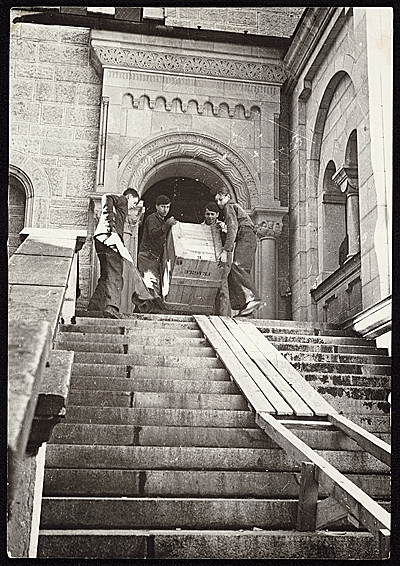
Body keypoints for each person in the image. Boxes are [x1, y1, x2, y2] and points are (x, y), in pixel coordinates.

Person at [88, 188, 141, 319]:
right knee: (116, 274)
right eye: (134, 203)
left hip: (100, 239)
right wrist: (110, 225)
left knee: (105, 275)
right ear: (129, 197)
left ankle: (94, 305)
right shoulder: (123, 200)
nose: (133, 206)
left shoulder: (120, 205)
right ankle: (112, 307)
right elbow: (107, 196)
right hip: (111, 239)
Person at [213, 187, 261, 317]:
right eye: (217, 200)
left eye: (220, 199)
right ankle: (244, 307)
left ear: (228, 197)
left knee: (237, 267)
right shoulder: (233, 208)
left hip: (246, 236)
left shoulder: (229, 206)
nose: (219, 203)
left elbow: (233, 228)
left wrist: (225, 250)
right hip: (247, 236)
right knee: (234, 273)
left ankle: (252, 298)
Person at [138, 194, 177, 307]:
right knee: (151, 283)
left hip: (154, 256)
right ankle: (154, 308)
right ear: (156, 206)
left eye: (167, 207)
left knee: (151, 284)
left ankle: (146, 308)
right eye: (162, 207)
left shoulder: (161, 220)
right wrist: (167, 225)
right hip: (147, 255)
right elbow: (154, 234)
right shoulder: (152, 218)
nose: (165, 210)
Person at [201, 202, 230, 316]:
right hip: (206, 260)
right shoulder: (201, 227)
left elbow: (230, 240)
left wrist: (223, 231)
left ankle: (223, 316)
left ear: (217, 214)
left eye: (212, 214)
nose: (210, 217)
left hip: (220, 262)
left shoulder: (222, 226)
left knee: (223, 288)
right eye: (208, 214)